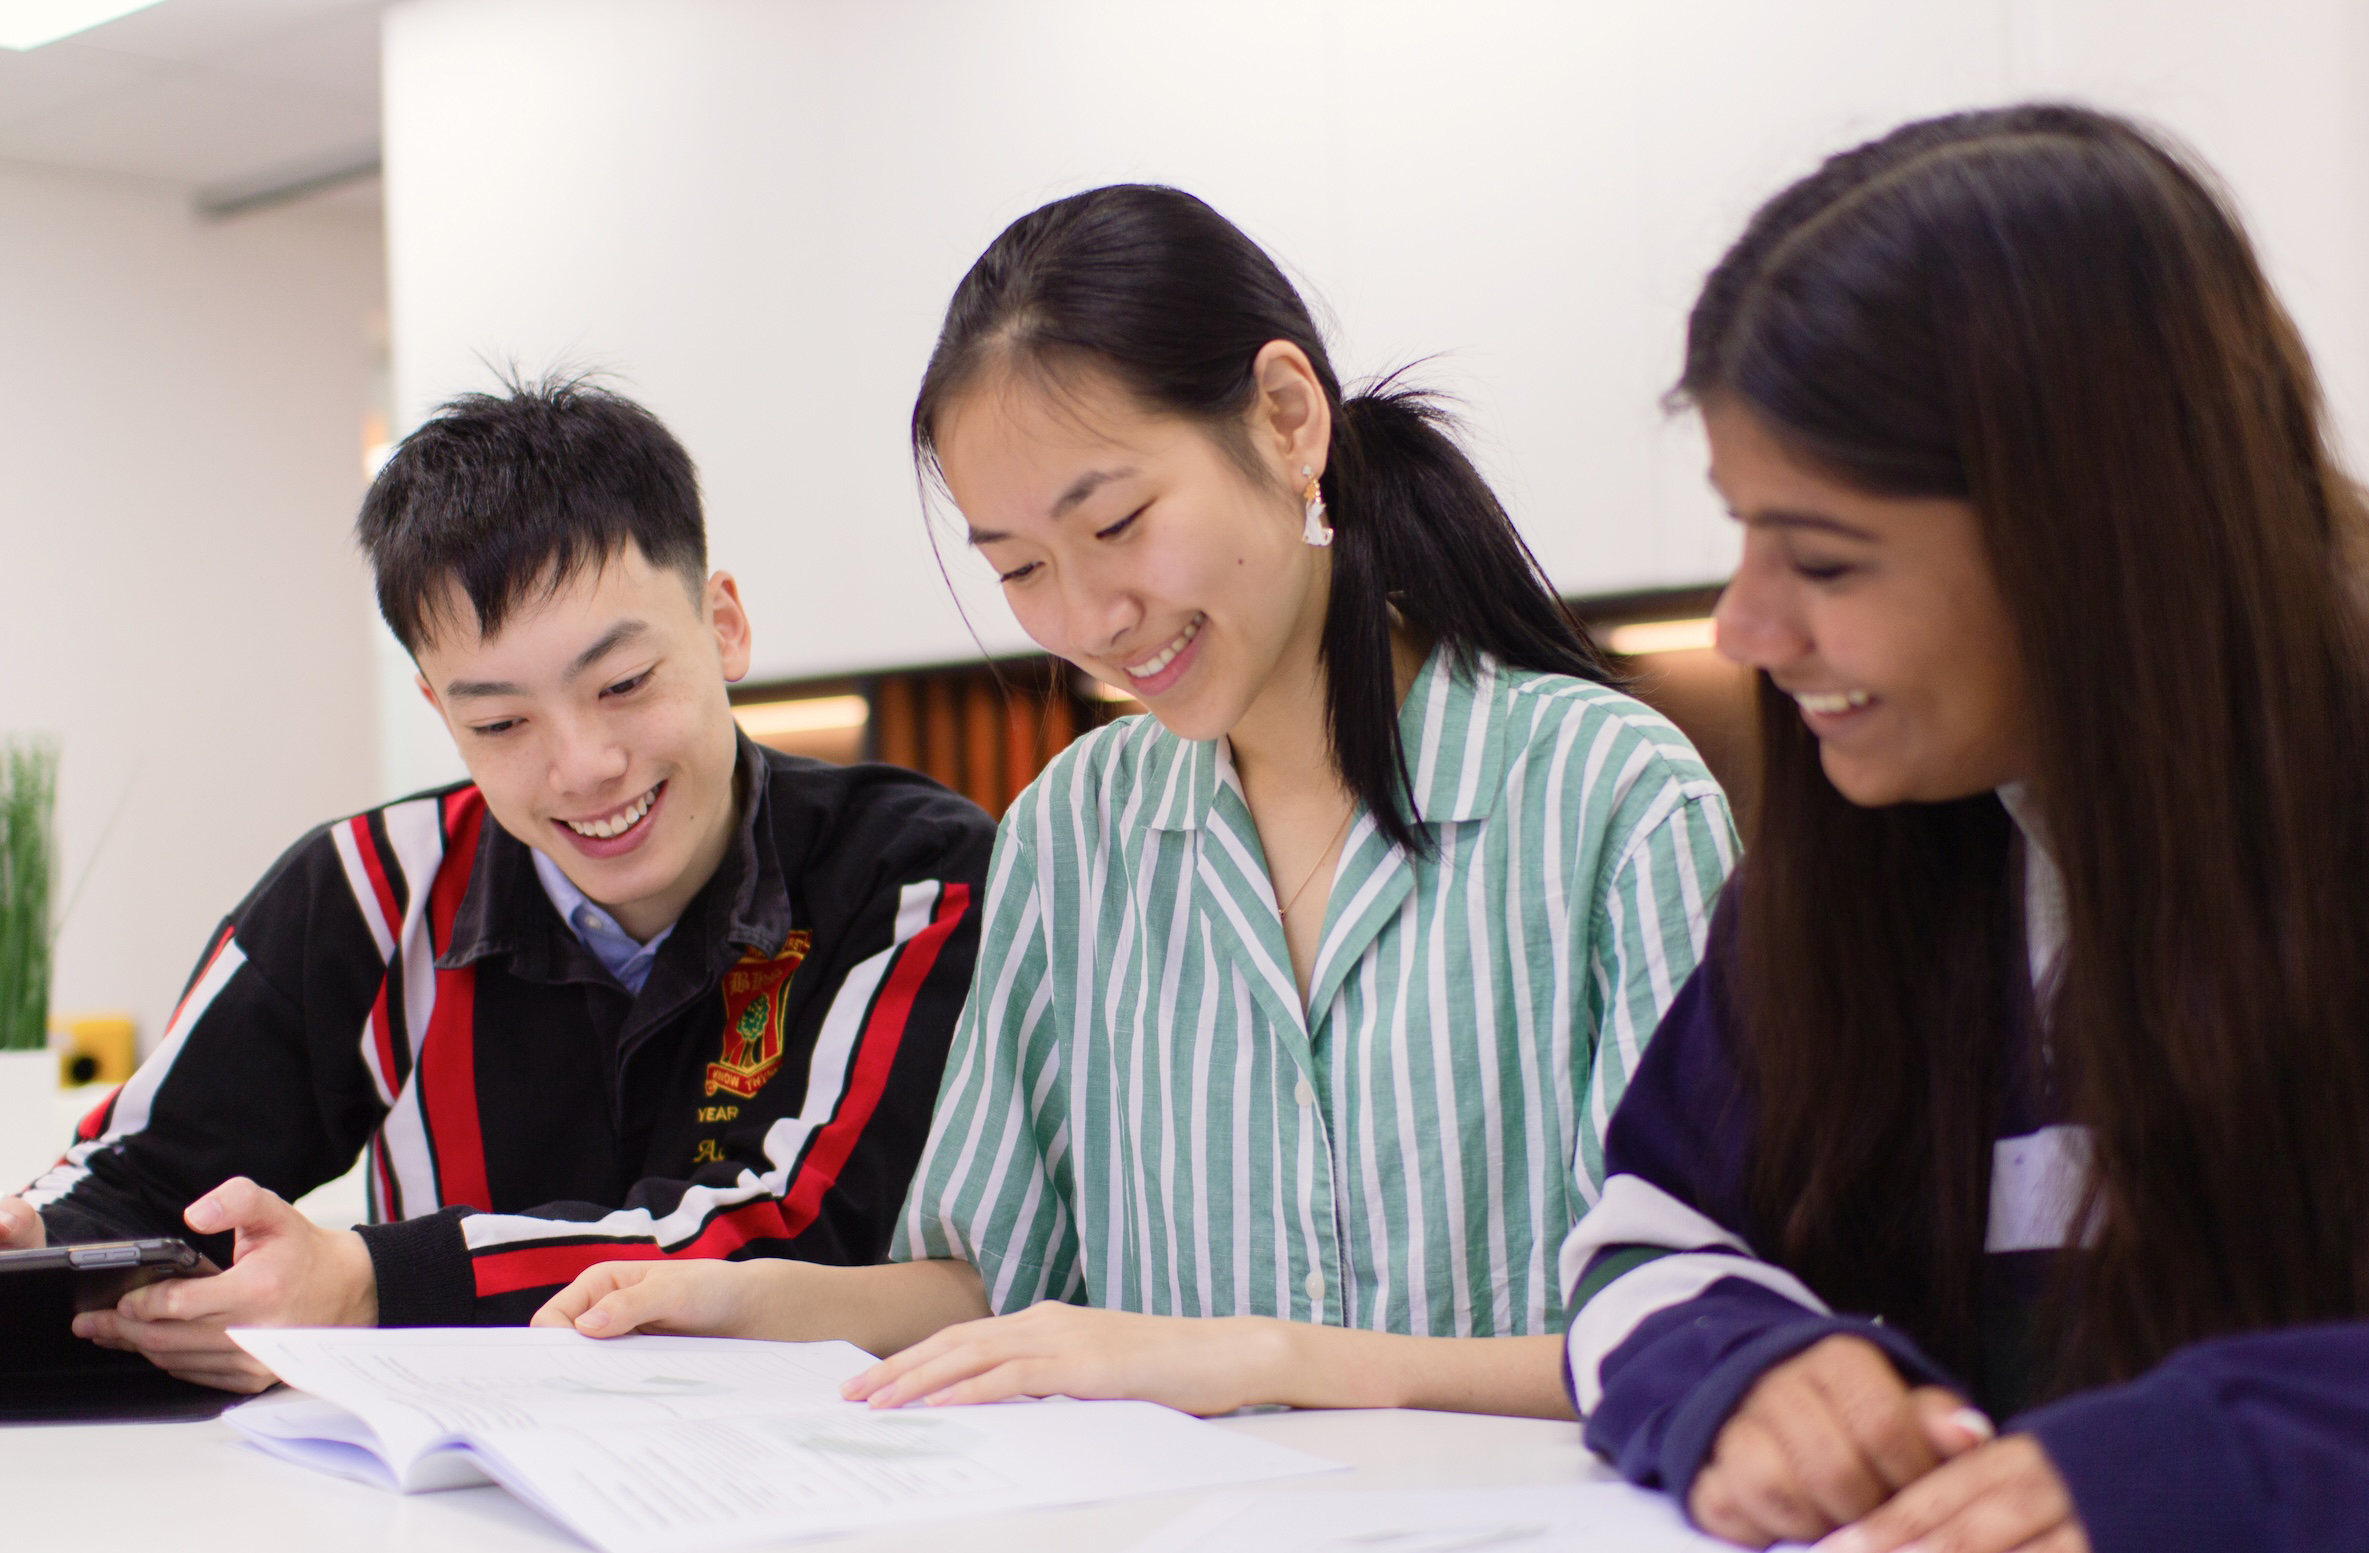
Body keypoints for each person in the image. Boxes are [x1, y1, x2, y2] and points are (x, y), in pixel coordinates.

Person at [535, 185, 1734, 1418]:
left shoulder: (1610, 798)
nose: (1090, 617)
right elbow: (991, 1291)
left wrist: (1275, 1361)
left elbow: (1701, 1331)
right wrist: (746, 1301)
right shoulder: (1073, 831)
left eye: (1117, 522)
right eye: (1021, 568)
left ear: (1284, 419)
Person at [1563, 104, 2369, 1553]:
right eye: (1744, 535)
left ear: (2102, 538)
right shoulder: (1862, 862)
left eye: (1823, 559)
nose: (1745, 626)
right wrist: (1743, 1369)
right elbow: (1643, 1241)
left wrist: (2250, 1456)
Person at [1, 379, 994, 1392]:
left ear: (723, 623)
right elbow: (143, 1172)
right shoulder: (368, 891)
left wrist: (373, 1281)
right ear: (440, 712)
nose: (583, 766)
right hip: (445, 1502)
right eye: (500, 722)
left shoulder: (907, 872)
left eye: (623, 685)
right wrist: (40, 1238)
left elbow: (797, 1224)